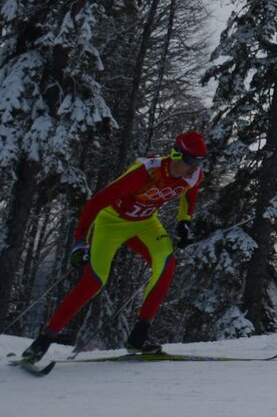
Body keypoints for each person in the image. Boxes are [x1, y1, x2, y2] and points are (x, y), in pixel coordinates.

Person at [21, 131, 207, 363]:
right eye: (190, 162)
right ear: (175, 154)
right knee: (94, 282)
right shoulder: (146, 173)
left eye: (199, 163)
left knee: (167, 265)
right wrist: (80, 242)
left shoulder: (192, 175)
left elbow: (190, 196)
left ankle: (138, 337)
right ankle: (42, 342)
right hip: (112, 222)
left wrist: (184, 222)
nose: (193, 169)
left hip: (146, 224)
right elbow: (96, 202)